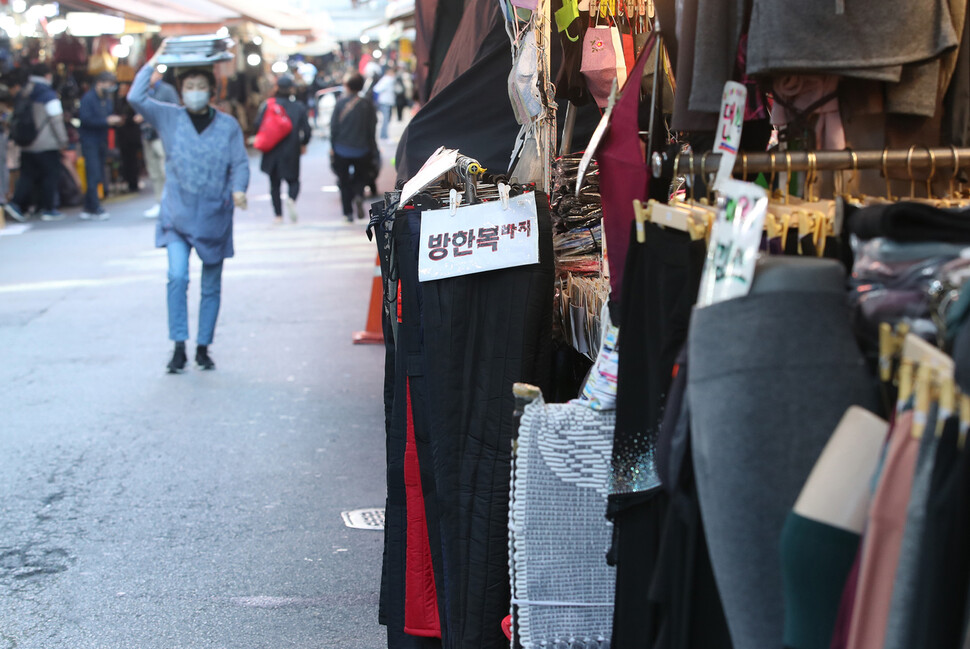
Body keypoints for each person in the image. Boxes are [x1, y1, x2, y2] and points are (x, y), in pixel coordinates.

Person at [128, 52, 250, 374]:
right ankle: (179, 345)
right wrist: (157, 59)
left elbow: (239, 163)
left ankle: (203, 347)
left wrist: (239, 188)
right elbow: (134, 96)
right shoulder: (168, 117)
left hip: (215, 218)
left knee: (211, 286)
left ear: (212, 92)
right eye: (189, 86)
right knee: (177, 276)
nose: (194, 91)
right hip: (176, 216)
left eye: (200, 86)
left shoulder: (228, 126)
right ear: (181, 92)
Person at [4, 63, 69, 223]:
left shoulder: (25, 90)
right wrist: (63, 140)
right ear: (47, 75)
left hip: (26, 142)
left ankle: (16, 204)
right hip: (45, 143)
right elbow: (56, 120)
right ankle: (47, 208)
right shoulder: (47, 93)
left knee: (27, 175)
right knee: (50, 175)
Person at [254, 75, 311, 224]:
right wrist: (303, 143)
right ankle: (291, 199)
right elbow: (307, 130)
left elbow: (257, 124)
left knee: (275, 185)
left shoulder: (268, 105)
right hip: (292, 150)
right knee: (294, 181)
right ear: (291, 89)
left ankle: (278, 216)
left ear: (276, 88)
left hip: (272, 150)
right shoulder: (298, 107)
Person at [330, 73, 377, 222]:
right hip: (362, 149)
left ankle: (348, 213)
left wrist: (332, 146)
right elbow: (372, 128)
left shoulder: (340, 103)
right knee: (360, 177)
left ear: (348, 86)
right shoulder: (367, 104)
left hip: (341, 149)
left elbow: (334, 127)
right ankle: (358, 195)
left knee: (343, 181)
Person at [78, 71, 121, 220]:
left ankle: (88, 207)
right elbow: (84, 119)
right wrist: (106, 121)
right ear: (99, 83)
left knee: (98, 173)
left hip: (102, 140)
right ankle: (95, 206)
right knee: (93, 173)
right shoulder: (88, 99)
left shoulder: (107, 99)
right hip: (90, 141)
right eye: (109, 84)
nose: (110, 88)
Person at [138, 67, 179, 218]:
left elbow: (174, 110)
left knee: (166, 170)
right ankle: (159, 202)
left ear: (159, 74)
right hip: (148, 135)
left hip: (162, 135)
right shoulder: (144, 91)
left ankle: (171, 202)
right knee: (154, 172)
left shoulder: (167, 90)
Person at [372, 67, 396, 140]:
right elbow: (377, 89)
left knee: (386, 119)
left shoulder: (386, 79)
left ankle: (384, 135)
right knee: (386, 119)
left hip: (385, 101)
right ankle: (384, 135)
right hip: (385, 102)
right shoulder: (388, 80)